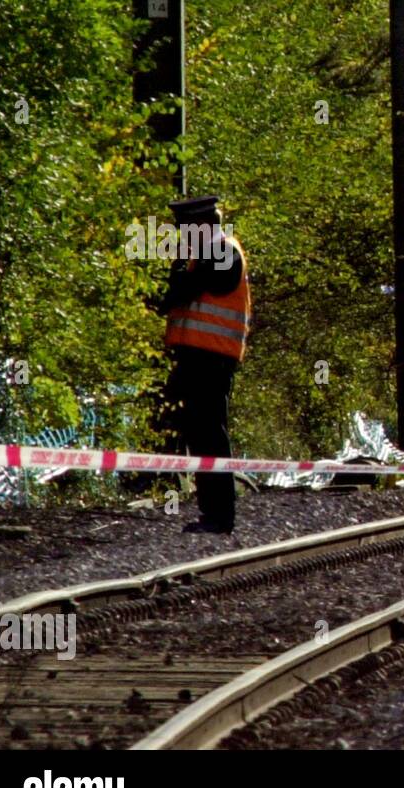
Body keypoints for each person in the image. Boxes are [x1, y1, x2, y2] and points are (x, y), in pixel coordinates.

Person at [157, 195, 250, 534]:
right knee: (201, 434)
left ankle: (220, 516)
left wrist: (179, 272)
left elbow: (183, 291)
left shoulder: (224, 254)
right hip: (197, 358)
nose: (181, 235)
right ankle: (212, 512)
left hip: (213, 359)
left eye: (185, 228)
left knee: (211, 435)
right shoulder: (202, 256)